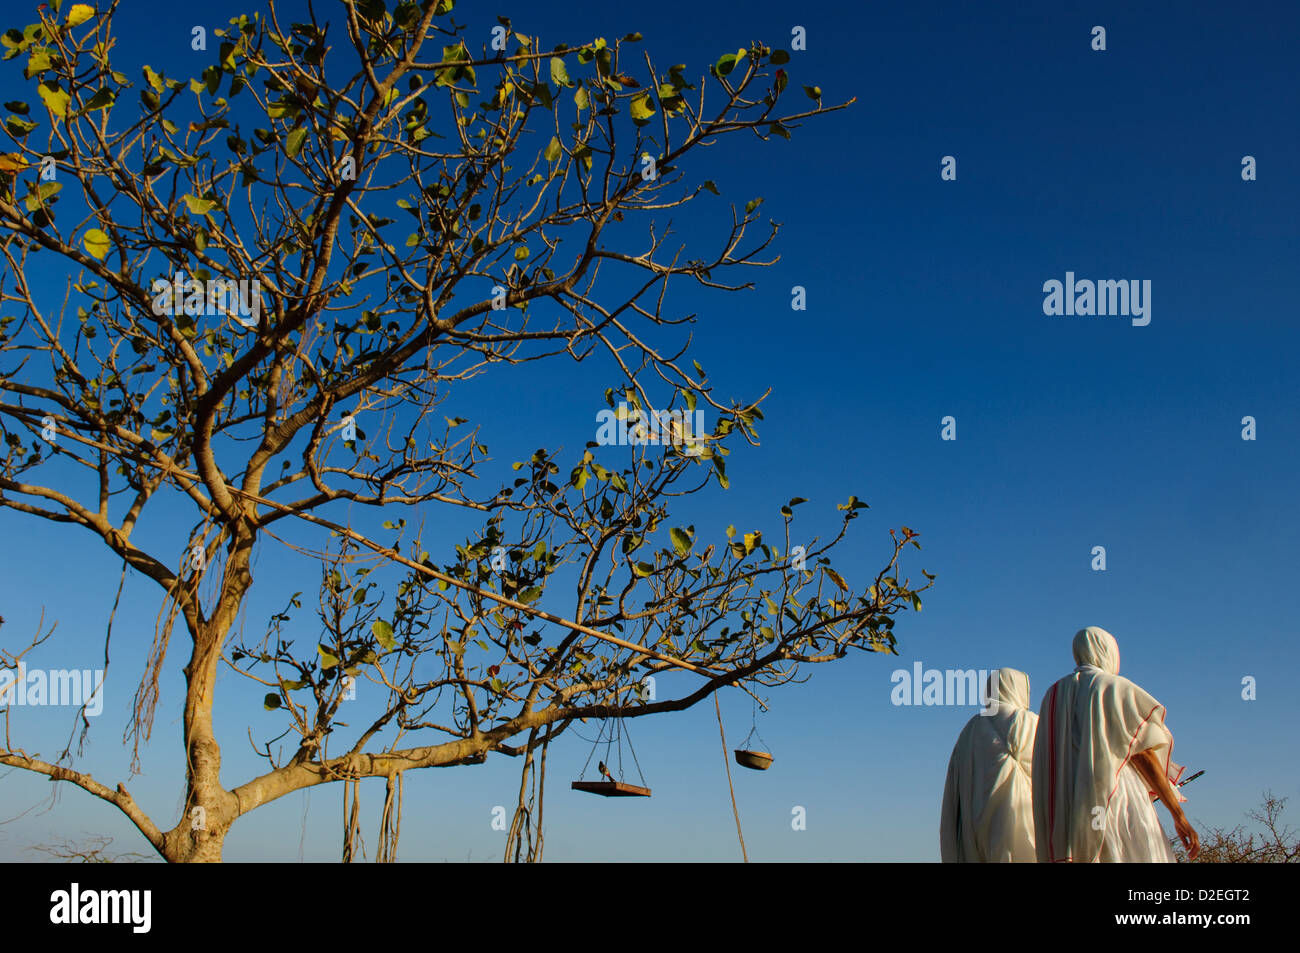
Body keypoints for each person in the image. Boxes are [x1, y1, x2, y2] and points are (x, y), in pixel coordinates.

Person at [1032, 626, 1200, 862]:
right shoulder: (1111, 688)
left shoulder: (1054, 694)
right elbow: (1143, 754)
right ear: (1108, 651)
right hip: (1115, 798)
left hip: (1069, 807)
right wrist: (1178, 815)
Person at [940, 668, 1038, 862]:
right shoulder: (1027, 723)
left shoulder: (970, 730)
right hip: (1021, 835)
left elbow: (954, 792)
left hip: (975, 839)